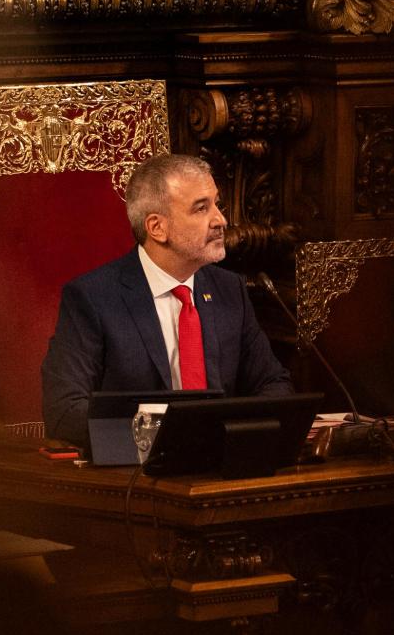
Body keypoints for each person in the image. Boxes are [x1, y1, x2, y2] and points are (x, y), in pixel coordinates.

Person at [40, 153, 292, 447]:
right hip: (137, 476)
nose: (221, 220)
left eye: (217, 204)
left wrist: (232, 432)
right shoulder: (93, 298)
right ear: (157, 227)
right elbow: (64, 411)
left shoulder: (229, 289)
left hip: (223, 468)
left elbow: (274, 384)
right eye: (201, 209)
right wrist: (169, 436)